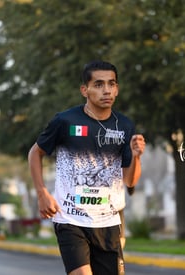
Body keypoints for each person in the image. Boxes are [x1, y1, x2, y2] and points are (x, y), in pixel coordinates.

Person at [28, 60, 146, 275]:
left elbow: (130, 181)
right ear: (85, 90)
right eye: (99, 84)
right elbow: (35, 153)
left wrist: (137, 156)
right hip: (71, 218)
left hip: (108, 221)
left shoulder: (125, 126)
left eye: (111, 84)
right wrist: (41, 192)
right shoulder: (65, 121)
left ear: (117, 89)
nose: (106, 90)